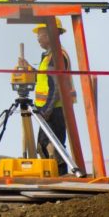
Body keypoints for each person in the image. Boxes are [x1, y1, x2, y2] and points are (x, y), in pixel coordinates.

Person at [27, 18, 76, 175]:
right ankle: (55, 174)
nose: (38, 38)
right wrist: (30, 69)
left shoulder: (56, 56)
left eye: (40, 34)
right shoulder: (48, 56)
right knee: (47, 144)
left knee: (50, 144)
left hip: (54, 108)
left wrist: (46, 110)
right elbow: (43, 80)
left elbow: (56, 87)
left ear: (49, 35)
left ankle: (60, 175)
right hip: (49, 107)